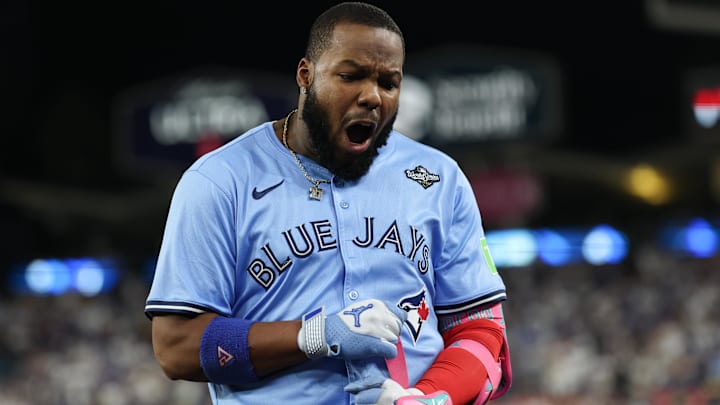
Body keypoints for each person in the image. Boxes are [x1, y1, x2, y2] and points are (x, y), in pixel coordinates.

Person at [144, 2, 512, 404]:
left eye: (388, 83)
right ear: (306, 75)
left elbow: (481, 332)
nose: (372, 96)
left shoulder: (438, 178)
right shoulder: (219, 181)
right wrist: (313, 335)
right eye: (351, 76)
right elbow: (176, 347)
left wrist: (427, 399)